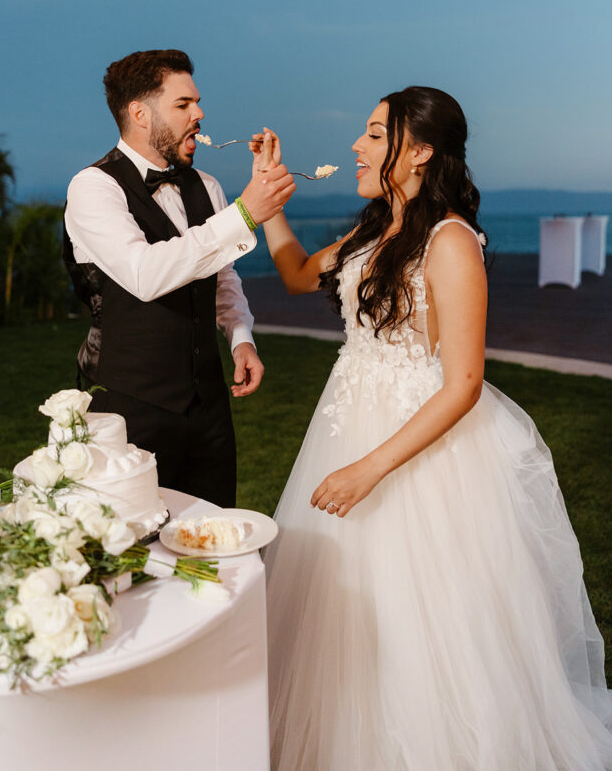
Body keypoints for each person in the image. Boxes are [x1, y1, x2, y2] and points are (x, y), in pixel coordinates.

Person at [255, 87, 612, 770]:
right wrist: (268, 208)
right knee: (330, 614)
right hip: (346, 423)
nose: (355, 147)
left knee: (421, 622)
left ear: (418, 151)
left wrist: (367, 468)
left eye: (370, 134)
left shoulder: (449, 242)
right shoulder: (369, 233)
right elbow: (298, 275)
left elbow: (464, 385)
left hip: (416, 453)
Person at [63, 49, 294, 508]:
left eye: (198, 103)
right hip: (128, 407)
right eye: (183, 104)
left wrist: (240, 338)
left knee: (213, 538)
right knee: (132, 546)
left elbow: (221, 274)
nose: (200, 114)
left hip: (208, 406)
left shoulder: (205, 186)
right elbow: (144, 274)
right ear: (140, 114)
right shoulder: (93, 187)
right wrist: (246, 213)